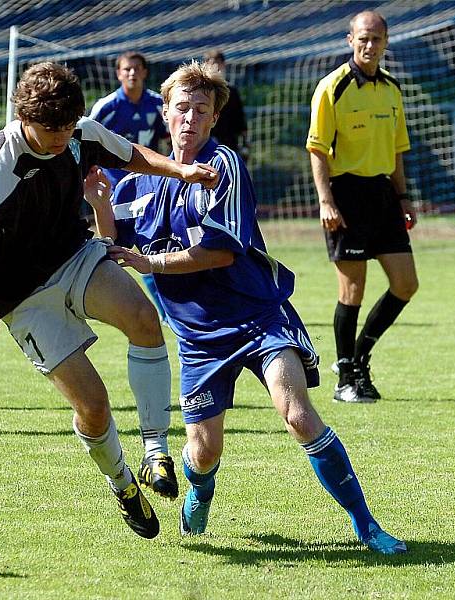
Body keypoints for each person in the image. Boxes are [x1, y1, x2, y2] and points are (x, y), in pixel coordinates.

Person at [87, 60, 407, 554]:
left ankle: (368, 527)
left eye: (201, 109)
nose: (190, 118)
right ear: (165, 115)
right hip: (197, 337)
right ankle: (200, 488)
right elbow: (114, 246)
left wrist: (148, 264)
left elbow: (219, 252)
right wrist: (100, 206)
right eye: (181, 109)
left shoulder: (222, 166)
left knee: (297, 414)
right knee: (204, 451)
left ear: (214, 118)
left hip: (257, 317)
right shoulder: (136, 182)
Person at [0, 62, 219, 538]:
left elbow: (132, 155)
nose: (62, 139)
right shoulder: (1, 164)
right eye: (51, 130)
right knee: (94, 406)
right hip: (22, 296)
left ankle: (154, 451)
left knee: (144, 317)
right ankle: (123, 484)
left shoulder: (79, 132)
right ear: (25, 117)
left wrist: (181, 169)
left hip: (74, 255)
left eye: (67, 128)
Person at [306, 10, 419, 403]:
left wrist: (403, 197)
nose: (370, 46)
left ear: (386, 42)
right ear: (349, 40)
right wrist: (326, 201)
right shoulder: (332, 87)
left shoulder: (391, 89)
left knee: (406, 284)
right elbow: (318, 149)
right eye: (363, 39)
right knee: (352, 288)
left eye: (377, 39)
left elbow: (399, 150)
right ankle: (345, 380)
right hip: (346, 194)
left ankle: (358, 357)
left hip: (384, 194)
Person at [89, 51, 170, 324]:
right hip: (116, 189)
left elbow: (171, 137)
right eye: (127, 69)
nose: (132, 73)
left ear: (145, 72)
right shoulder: (107, 107)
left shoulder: (159, 104)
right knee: (119, 245)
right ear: (118, 74)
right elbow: (88, 139)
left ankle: (168, 307)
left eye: (137, 68)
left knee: (154, 243)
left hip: (150, 185)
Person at [202, 50, 247, 153]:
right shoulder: (200, 91)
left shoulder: (232, 91)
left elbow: (240, 120)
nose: (215, 67)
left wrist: (245, 144)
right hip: (204, 141)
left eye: (218, 63)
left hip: (228, 142)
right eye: (211, 63)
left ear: (223, 65)